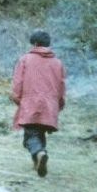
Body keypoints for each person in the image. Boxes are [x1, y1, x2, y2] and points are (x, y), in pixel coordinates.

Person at [10, 29, 66, 178]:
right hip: (50, 105)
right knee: (39, 133)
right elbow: (61, 86)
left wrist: (17, 99)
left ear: (35, 44)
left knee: (30, 137)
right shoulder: (58, 62)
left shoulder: (25, 59)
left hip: (31, 103)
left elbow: (17, 83)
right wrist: (59, 104)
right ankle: (38, 162)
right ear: (48, 44)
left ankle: (40, 153)